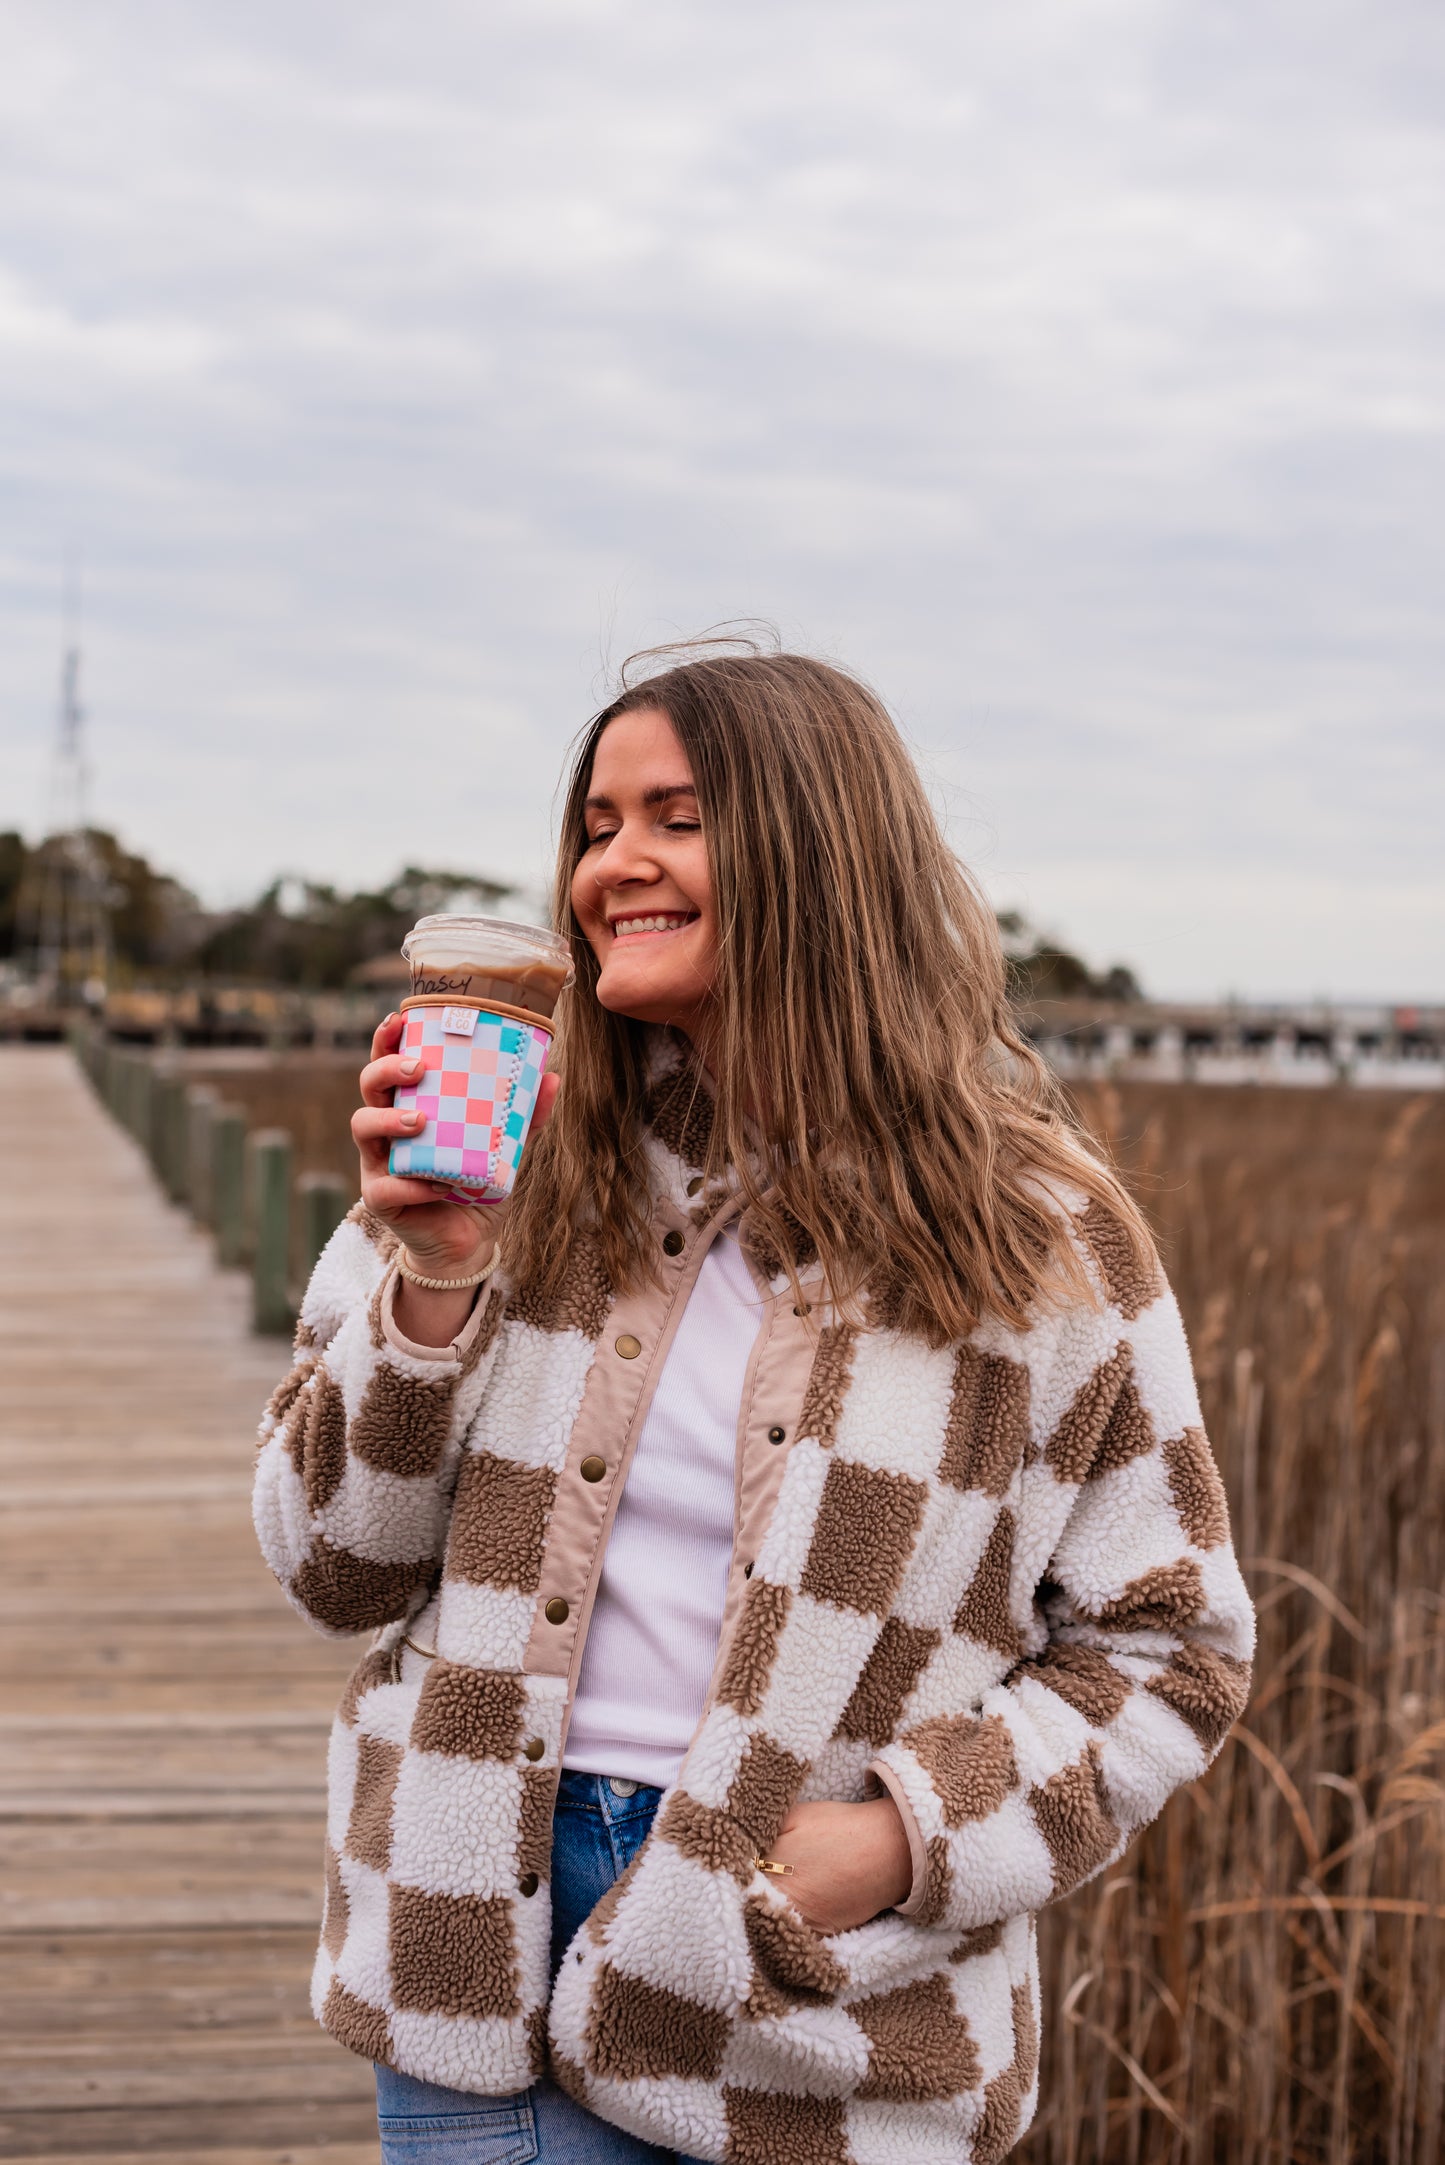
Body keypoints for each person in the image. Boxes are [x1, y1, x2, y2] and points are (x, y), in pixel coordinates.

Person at [254, 647, 1254, 2165]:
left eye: (676, 818)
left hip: (829, 1998)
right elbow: (333, 1567)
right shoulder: (506, 1154)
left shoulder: (1040, 1233)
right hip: (473, 1953)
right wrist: (436, 1279)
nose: (614, 865)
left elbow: (1171, 1647)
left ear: (817, 852)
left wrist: (902, 1839)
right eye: (597, 826)